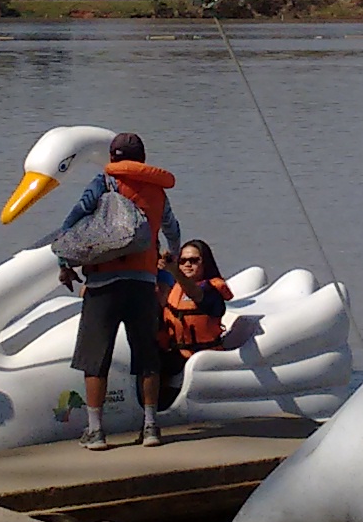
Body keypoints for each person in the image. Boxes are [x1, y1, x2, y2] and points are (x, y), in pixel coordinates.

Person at [54, 132, 179, 449]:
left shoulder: (104, 183)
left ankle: (96, 431)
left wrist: (64, 261)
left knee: (95, 360)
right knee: (147, 357)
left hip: (102, 284)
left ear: (113, 158)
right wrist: (167, 262)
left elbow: (71, 223)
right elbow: (173, 232)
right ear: (143, 160)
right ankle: (151, 426)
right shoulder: (158, 191)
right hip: (142, 284)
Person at [156, 239, 240, 412]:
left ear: (205, 263)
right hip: (175, 356)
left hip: (201, 361)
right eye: (183, 261)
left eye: (194, 260)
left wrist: (175, 271)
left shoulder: (212, 293)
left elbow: (197, 295)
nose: (187, 264)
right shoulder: (174, 289)